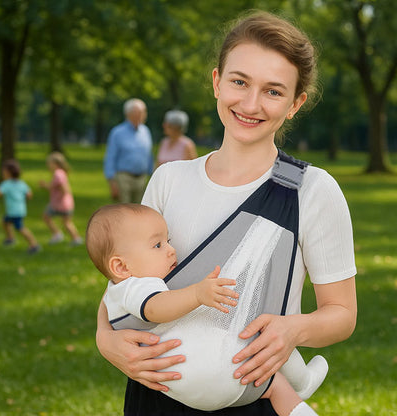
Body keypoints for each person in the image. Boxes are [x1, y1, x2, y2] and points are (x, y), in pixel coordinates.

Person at [96, 11, 357, 416]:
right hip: (157, 394)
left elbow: (342, 313)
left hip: (247, 393)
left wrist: (293, 329)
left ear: (295, 103)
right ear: (218, 82)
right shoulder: (169, 179)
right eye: (239, 82)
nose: (250, 104)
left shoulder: (313, 191)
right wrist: (104, 338)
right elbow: (126, 278)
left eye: (273, 91)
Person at [87, 203, 322, 415]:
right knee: (267, 344)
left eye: (168, 240)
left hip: (191, 383)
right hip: (211, 369)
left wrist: (103, 333)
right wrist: (197, 294)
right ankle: (303, 383)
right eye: (157, 245)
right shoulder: (138, 287)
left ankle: (300, 396)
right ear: (120, 266)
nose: (170, 249)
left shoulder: (118, 291)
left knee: (272, 384)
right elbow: (155, 308)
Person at [0, 159, 40, 254]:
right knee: (5, 222)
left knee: (20, 228)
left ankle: (34, 245)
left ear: (8, 173)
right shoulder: (21, 183)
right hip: (20, 209)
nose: (3, 173)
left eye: (3, 172)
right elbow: (29, 194)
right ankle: (10, 239)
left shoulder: (7, 184)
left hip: (14, 211)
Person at [104, 98, 153, 203]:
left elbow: (149, 155)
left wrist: (152, 176)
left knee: (139, 212)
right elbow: (110, 157)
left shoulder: (145, 131)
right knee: (124, 212)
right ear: (129, 114)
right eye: (140, 112)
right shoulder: (117, 132)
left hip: (142, 179)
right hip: (123, 178)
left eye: (144, 112)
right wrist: (112, 182)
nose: (143, 115)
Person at [39, 151, 82, 246]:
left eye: (49, 163)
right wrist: (45, 185)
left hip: (60, 203)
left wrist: (60, 197)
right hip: (65, 203)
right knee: (66, 222)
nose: (48, 166)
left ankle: (59, 234)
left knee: (47, 217)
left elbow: (63, 188)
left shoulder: (58, 174)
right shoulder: (61, 173)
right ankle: (75, 238)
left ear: (56, 164)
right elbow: (54, 186)